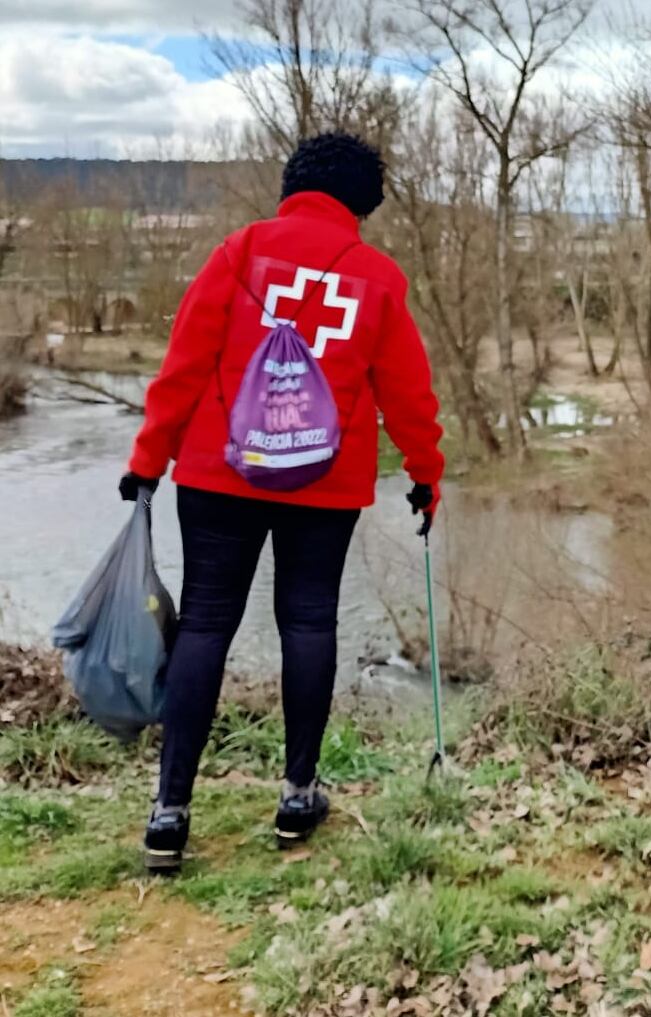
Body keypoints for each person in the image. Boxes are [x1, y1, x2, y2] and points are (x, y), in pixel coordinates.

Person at [122, 132, 446, 873]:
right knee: (308, 619)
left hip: (216, 470)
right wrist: (427, 473)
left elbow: (185, 362)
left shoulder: (239, 252)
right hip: (325, 479)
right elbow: (407, 395)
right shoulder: (377, 277)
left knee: (204, 622)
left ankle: (169, 813)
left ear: (291, 184)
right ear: (364, 201)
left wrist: (147, 461)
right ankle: (299, 794)